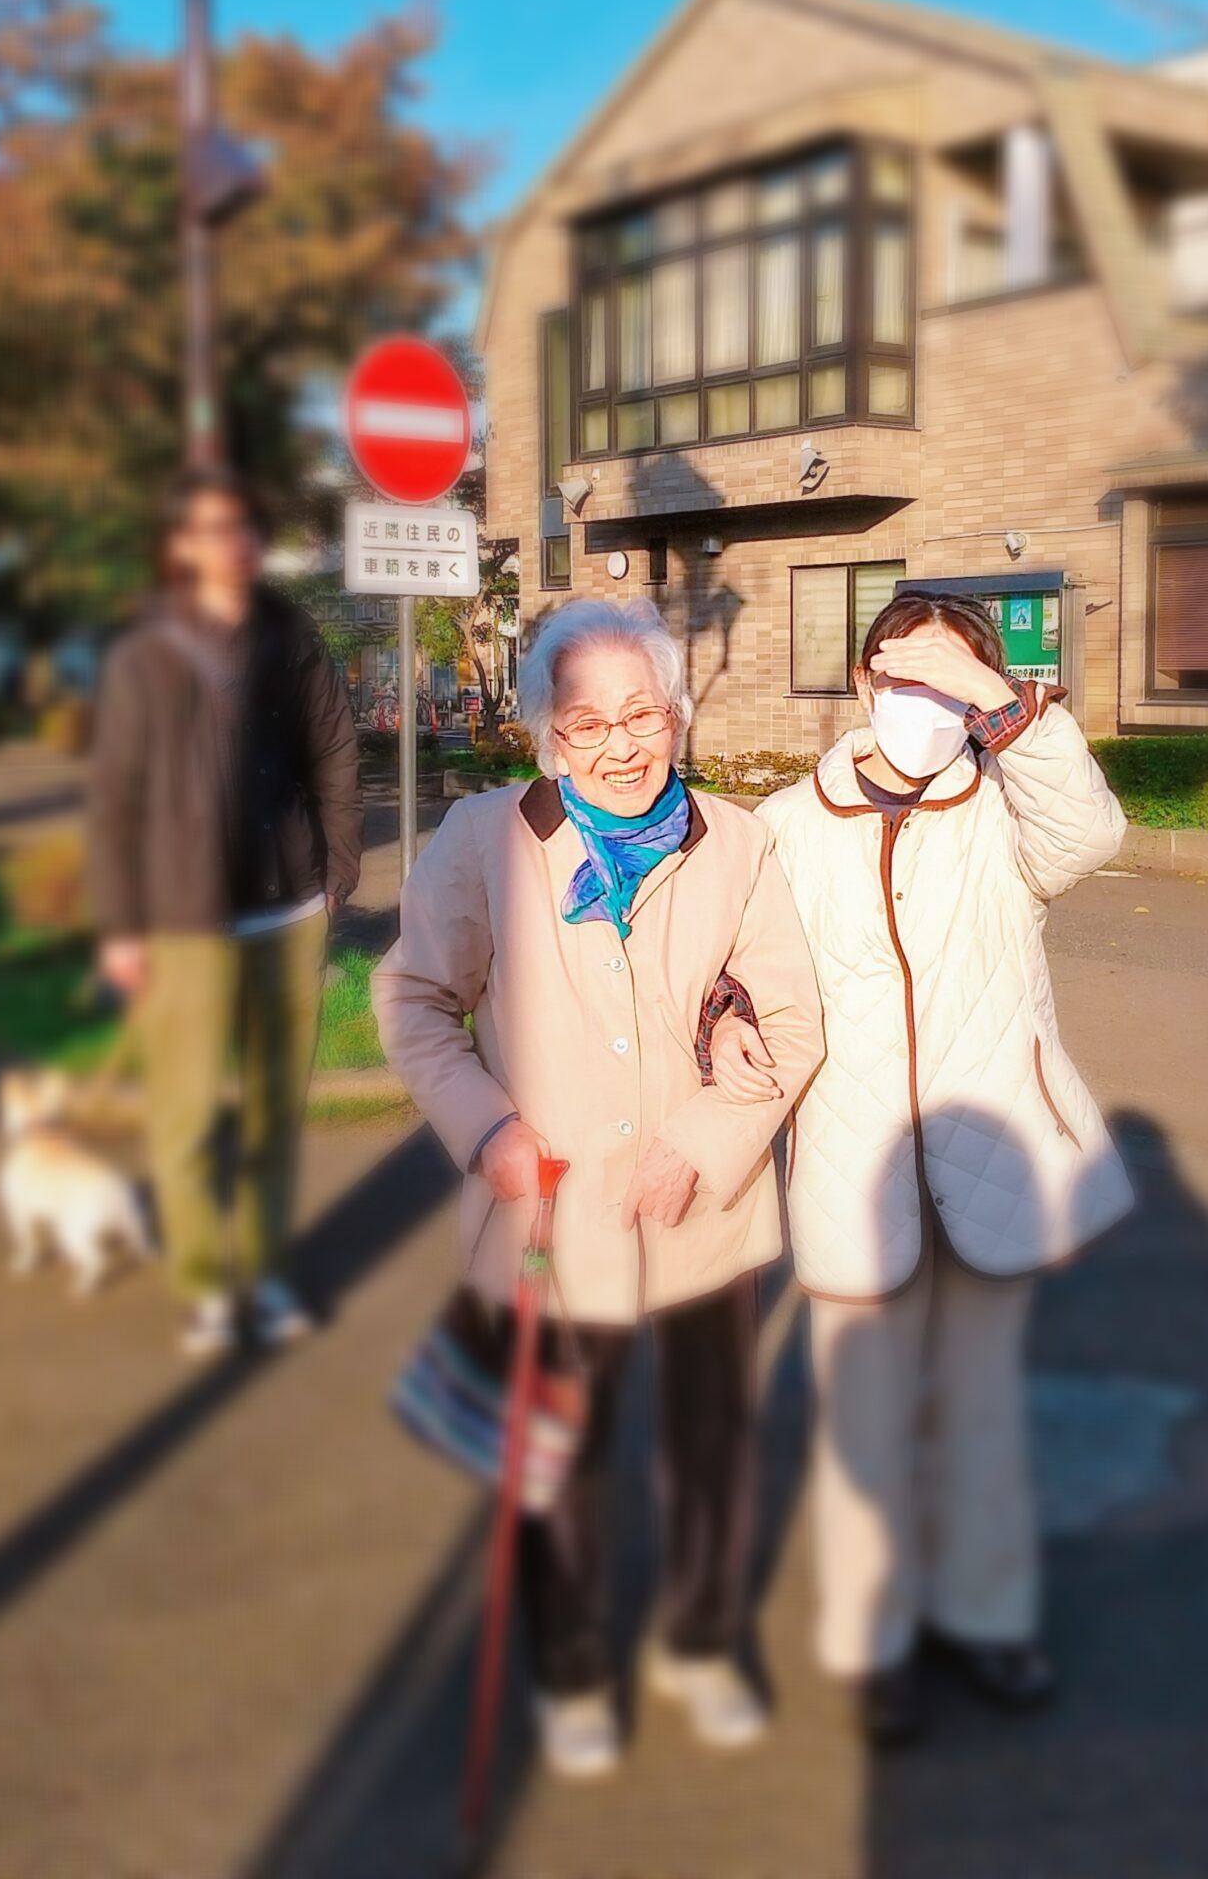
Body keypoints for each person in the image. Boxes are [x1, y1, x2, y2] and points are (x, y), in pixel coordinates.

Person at [375, 597, 824, 1780]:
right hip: (556, 1207)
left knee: (713, 1443)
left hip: (705, 1211)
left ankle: (703, 1642)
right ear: (546, 735)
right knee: (559, 1458)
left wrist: (710, 1138)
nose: (621, 745)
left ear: (677, 713)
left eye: (642, 715)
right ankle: (572, 1667)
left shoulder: (735, 842)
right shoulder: (485, 838)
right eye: (587, 723)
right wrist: (485, 1127)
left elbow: (791, 1020)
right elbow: (414, 1001)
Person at [715, 590, 1132, 1745]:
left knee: (983, 1408)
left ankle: (985, 1617)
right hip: (853, 1163)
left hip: (993, 1159)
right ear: (863, 681)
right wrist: (727, 1012)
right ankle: (877, 1639)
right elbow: (740, 961)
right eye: (905, 673)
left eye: (954, 679)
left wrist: (1001, 702)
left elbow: (1093, 834)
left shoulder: (1006, 810)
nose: (924, 700)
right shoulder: (787, 823)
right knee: (866, 1420)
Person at [88, 468, 361, 1358]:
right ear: (181, 546)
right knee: (186, 1112)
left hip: (288, 912)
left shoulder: (293, 637)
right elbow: (115, 796)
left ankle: (268, 1271)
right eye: (210, 529)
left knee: (276, 1113)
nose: (230, 544)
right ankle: (207, 1284)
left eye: (241, 526)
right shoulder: (145, 654)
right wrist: (120, 925)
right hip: (183, 922)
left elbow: (333, 750)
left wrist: (338, 875)